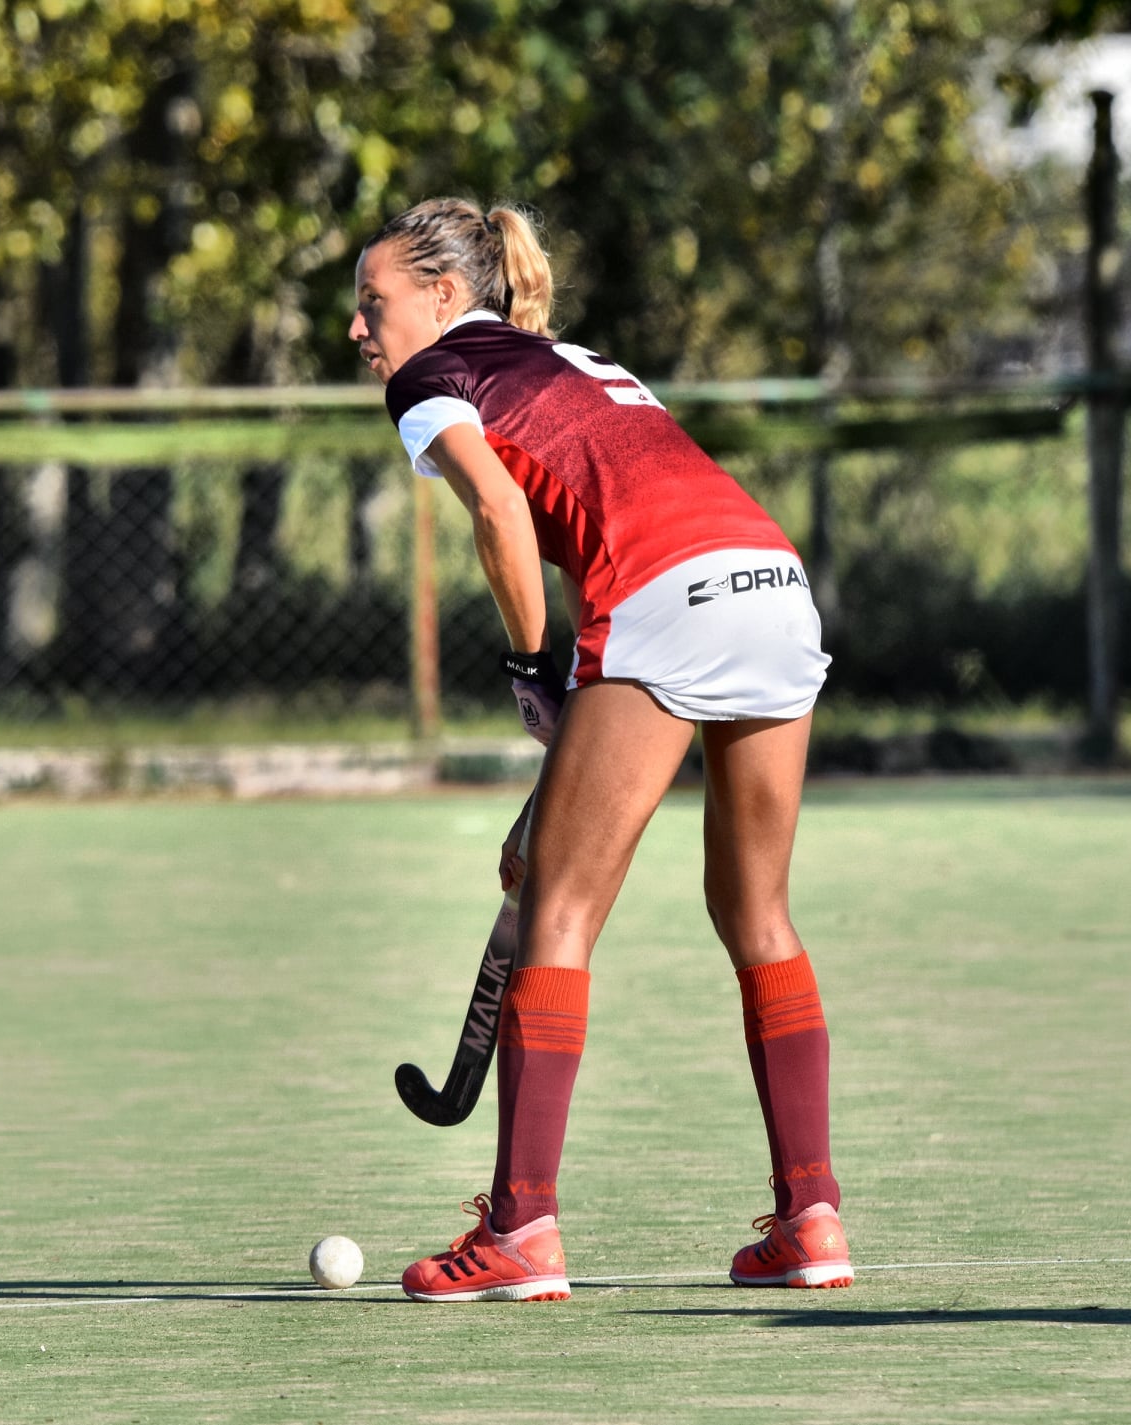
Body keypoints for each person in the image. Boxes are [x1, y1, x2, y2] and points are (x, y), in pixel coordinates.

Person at [349, 197, 852, 1303]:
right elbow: (616, 538)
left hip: (668, 594)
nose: (358, 328)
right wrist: (553, 772)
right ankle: (812, 1219)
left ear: (442, 296)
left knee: (560, 914)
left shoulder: (430, 377)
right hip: (771, 580)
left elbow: (502, 515)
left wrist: (530, 668)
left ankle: (521, 1229)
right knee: (757, 913)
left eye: (371, 301)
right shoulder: (577, 362)